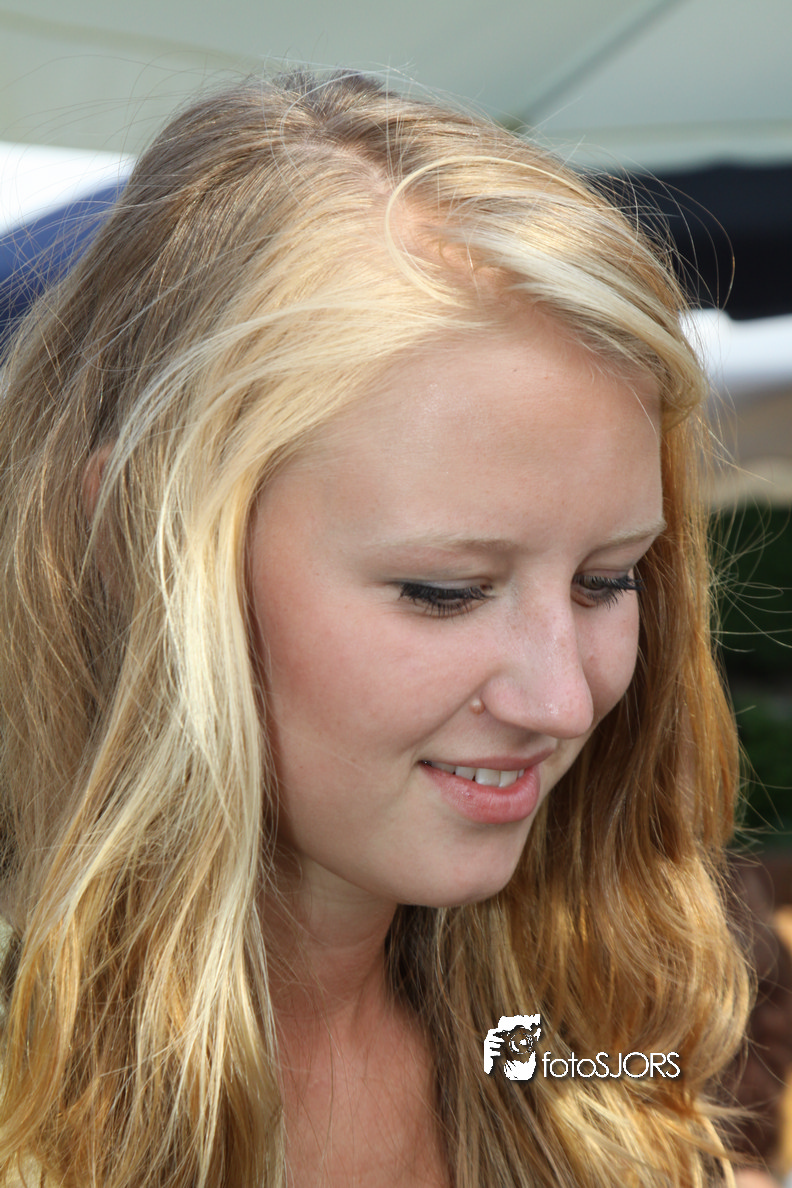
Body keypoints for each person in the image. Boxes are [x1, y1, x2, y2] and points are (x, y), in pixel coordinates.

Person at [0, 70, 750, 1187]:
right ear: (135, 545)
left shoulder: (579, 1032)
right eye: (444, 591)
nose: (561, 701)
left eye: (609, 580)